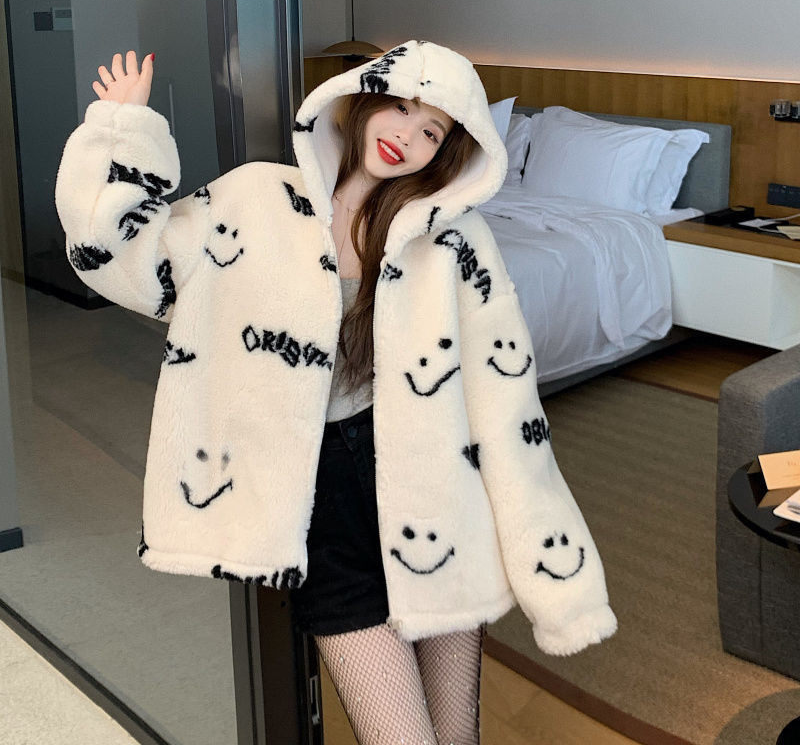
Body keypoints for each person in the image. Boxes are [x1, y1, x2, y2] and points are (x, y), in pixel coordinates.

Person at [55, 40, 617, 745]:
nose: (406, 136)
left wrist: (556, 577)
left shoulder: (453, 240)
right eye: (400, 108)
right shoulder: (257, 198)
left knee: (457, 737)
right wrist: (123, 135)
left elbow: (508, 404)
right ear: (361, 102)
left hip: (435, 495)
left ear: (446, 154)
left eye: (431, 131)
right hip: (316, 495)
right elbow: (126, 265)